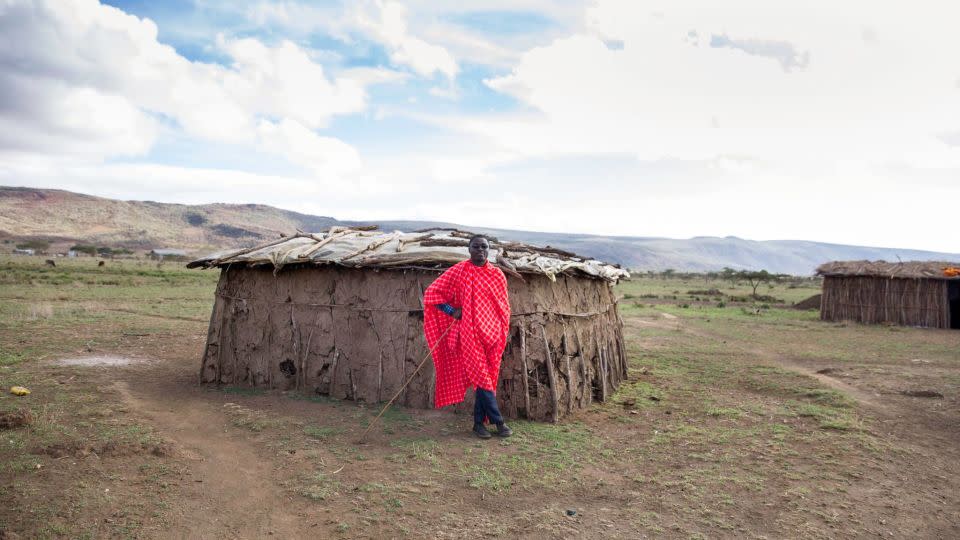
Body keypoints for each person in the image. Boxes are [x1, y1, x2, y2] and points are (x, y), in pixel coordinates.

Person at [423, 235, 513, 439]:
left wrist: (500, 330)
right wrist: (450, 310)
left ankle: (478, 425)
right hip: (470, 334)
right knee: (482, 378)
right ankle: (499, 422)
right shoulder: (459, 271)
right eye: (476, 246)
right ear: (468, 248)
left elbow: (503, 307)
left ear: (489, 250)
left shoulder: (497, 275)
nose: (480, 250)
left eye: (484, 247)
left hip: (493, 335)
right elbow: (432, 293)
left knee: (488, 379)